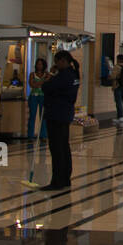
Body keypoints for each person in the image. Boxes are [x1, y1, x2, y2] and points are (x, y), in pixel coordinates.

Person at [40, 51, 80, 191]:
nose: (55, 64)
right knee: (64, 146)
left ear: (62, 61)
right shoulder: (74, 75)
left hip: (56, 113)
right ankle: (65, 179)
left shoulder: (64, 76)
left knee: (57, 148)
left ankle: (57, 181)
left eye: (57, 62)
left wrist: (50, 75)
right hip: (65, 113)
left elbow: (46, 87)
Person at [27, 57, 49, 141]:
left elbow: (47, 83)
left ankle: (43, 135)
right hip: (34, 96)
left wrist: (38, 83)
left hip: (43, 96)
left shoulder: (47, 74)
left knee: (43, 116)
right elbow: (32, 85)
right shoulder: (32, 74)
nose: (39, 66)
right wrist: (42, 81)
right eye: (38, 64)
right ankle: (30, 135)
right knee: (32, 115)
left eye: (41, 64)